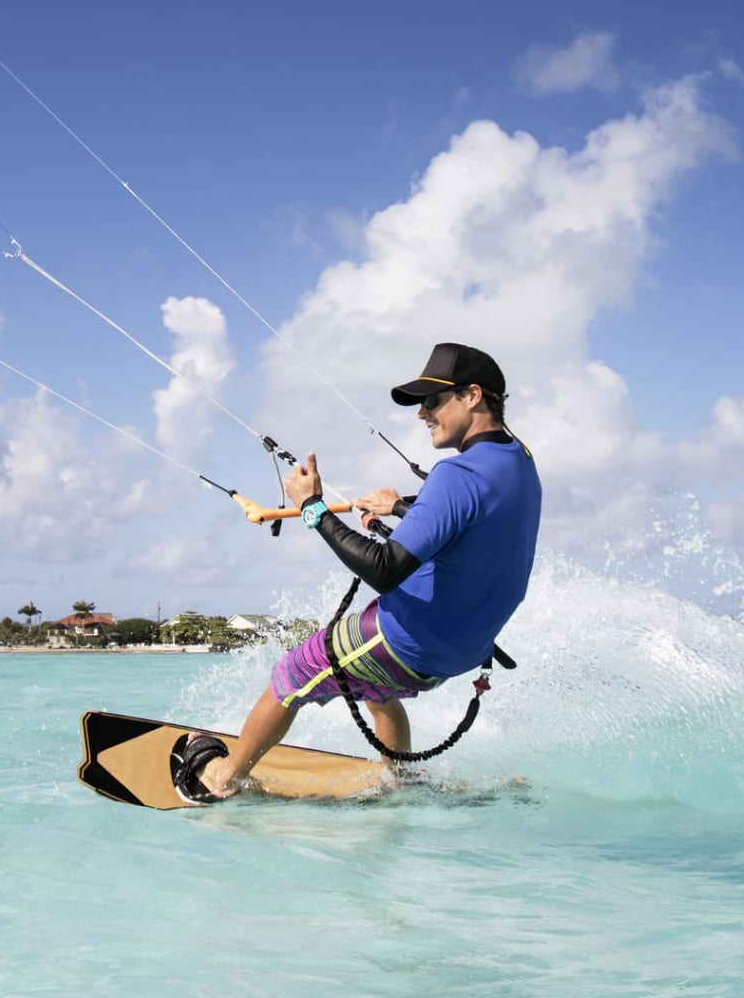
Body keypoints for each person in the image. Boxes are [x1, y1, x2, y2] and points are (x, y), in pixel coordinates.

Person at [173, 342, 543, 802]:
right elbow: (475, 522)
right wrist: (405, 507)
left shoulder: (456, 475)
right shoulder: (519, 462)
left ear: (472, 395)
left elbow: (384, 571)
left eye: (431, 400)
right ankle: (401, 781)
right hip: (463, 650)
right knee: (374, 686)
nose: (421, 414)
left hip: (409, 639)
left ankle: (222, 778)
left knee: (291, 674)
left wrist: (313, 509)